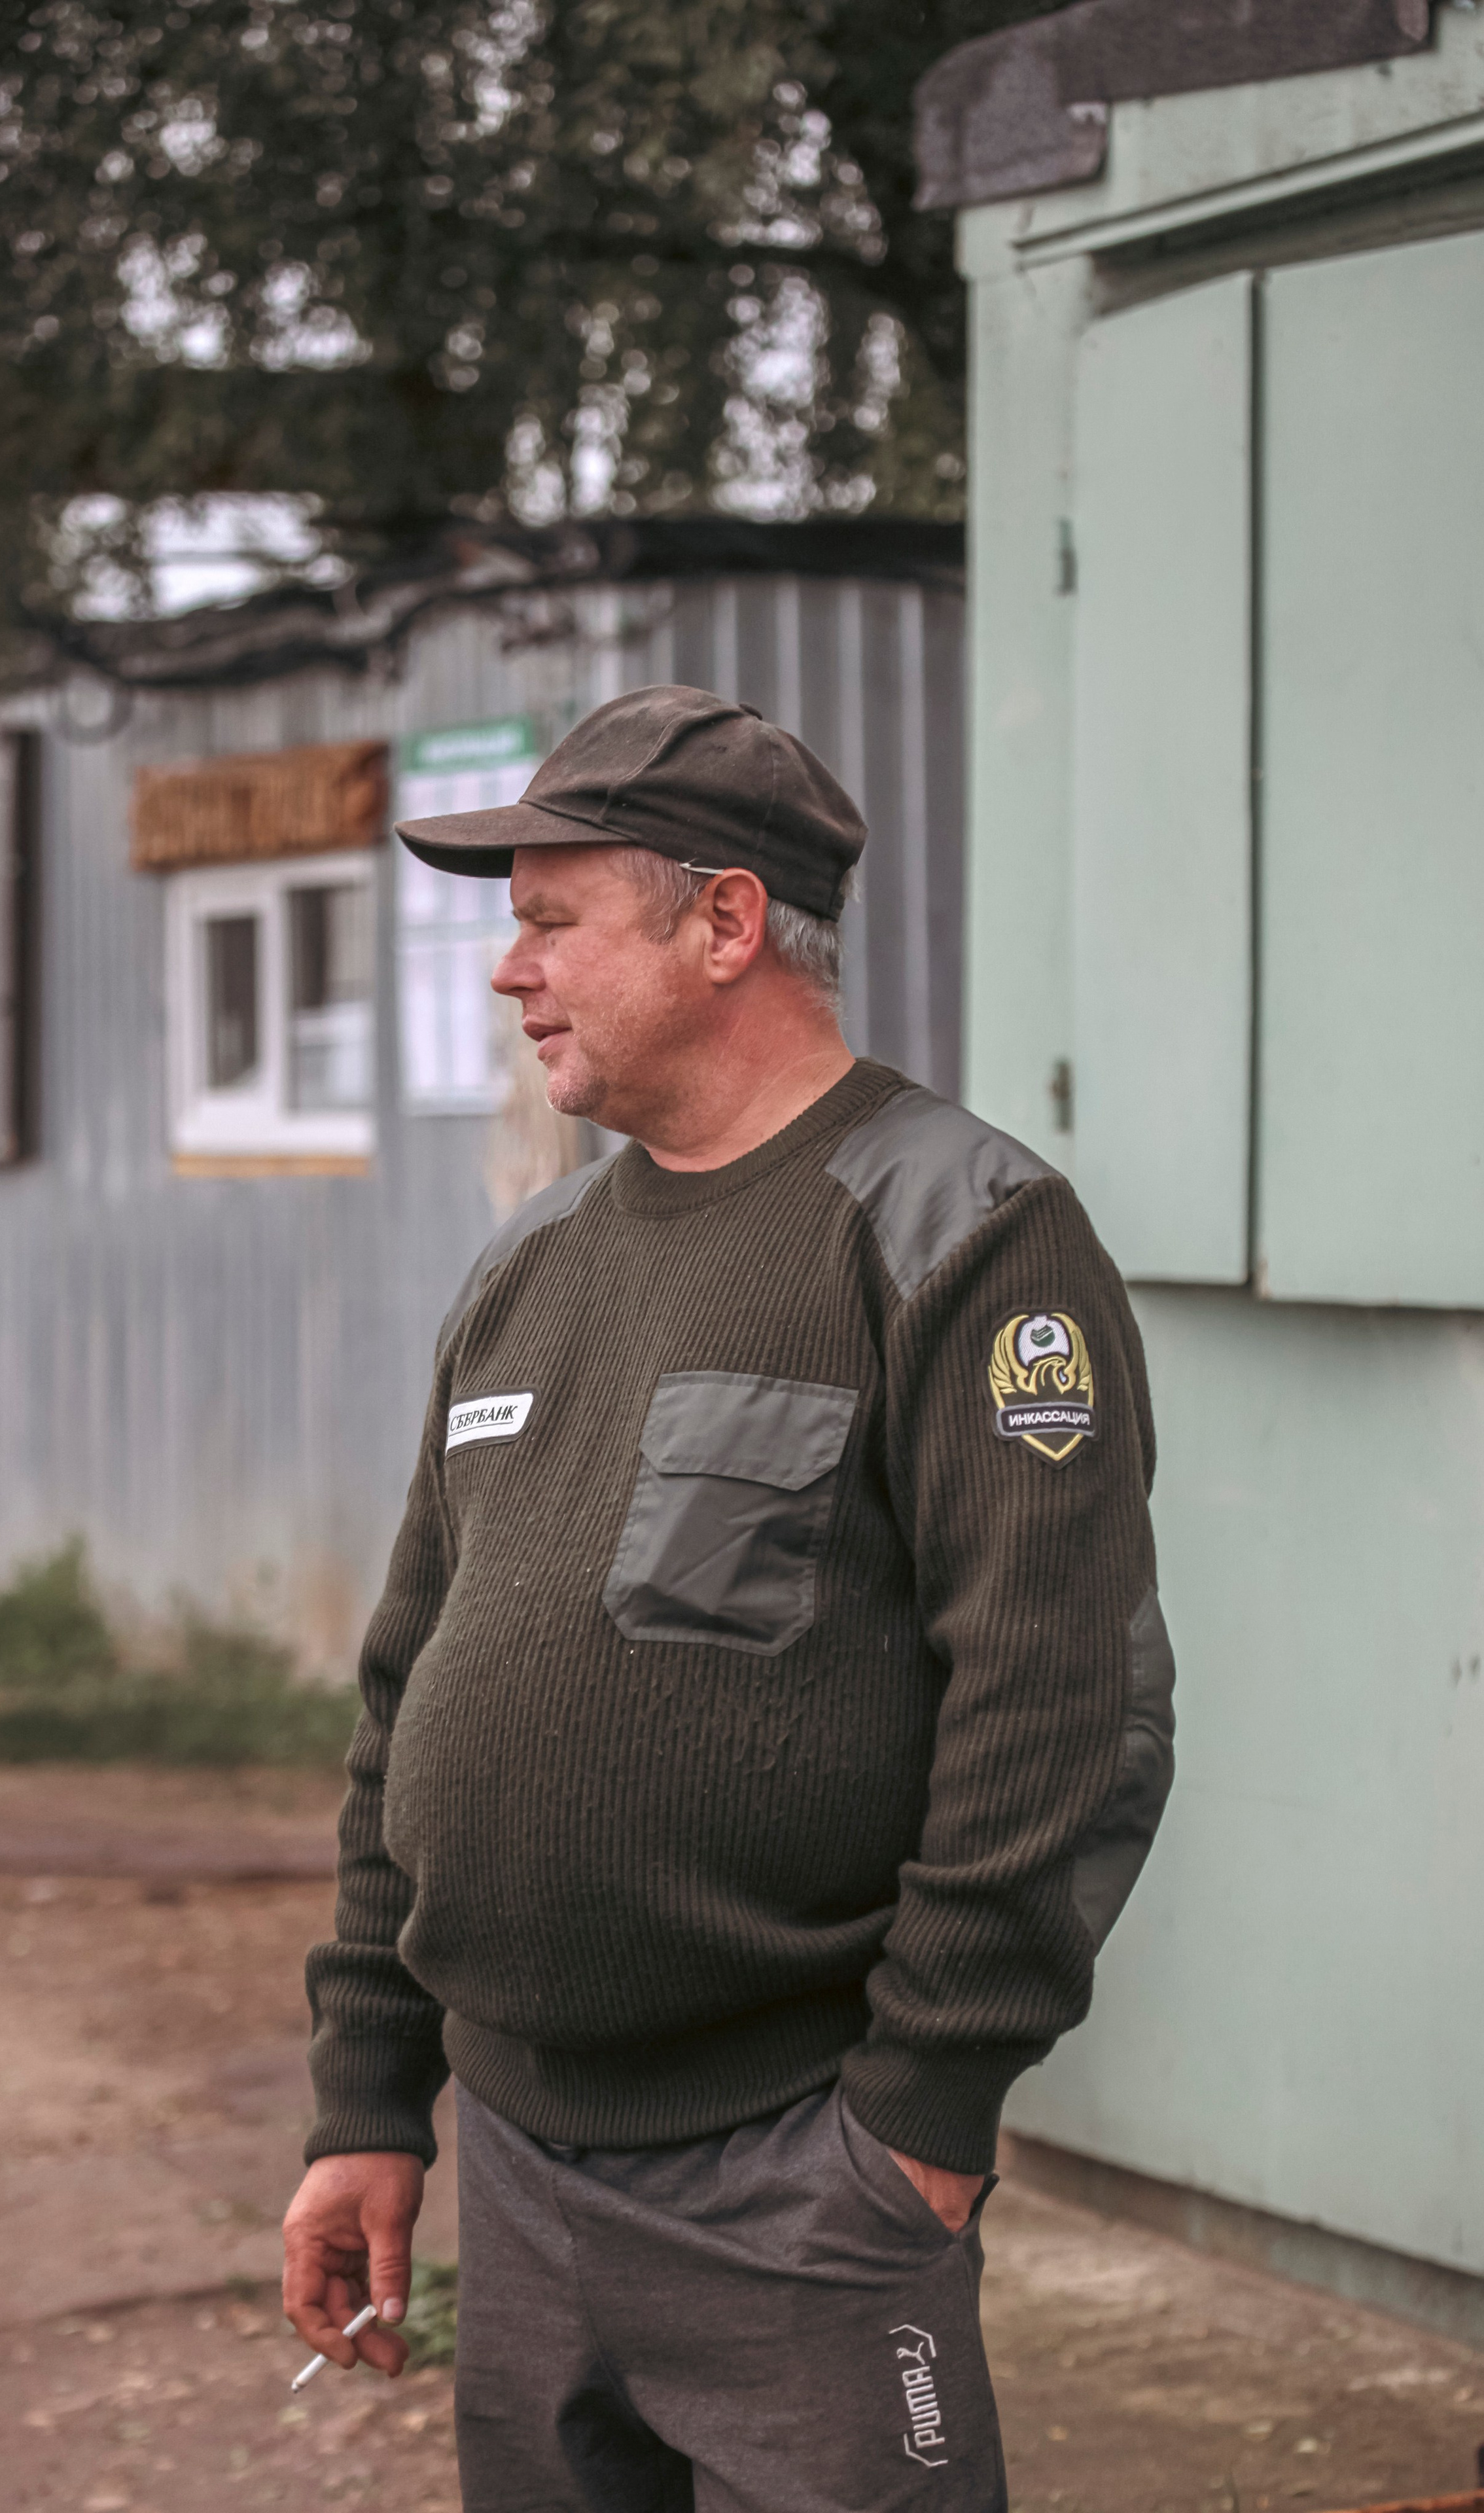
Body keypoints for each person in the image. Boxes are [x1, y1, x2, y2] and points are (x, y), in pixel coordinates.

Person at [282, 685, 1176, 2512]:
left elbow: (1064, 1711)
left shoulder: (962, 1233)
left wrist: (922, 2121)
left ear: (726, 924)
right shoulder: (531, 1265)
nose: (511, 971)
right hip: (518, 2165)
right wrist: (370, 2096)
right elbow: (410, 1694)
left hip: (801, 2181)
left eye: (551, 921)